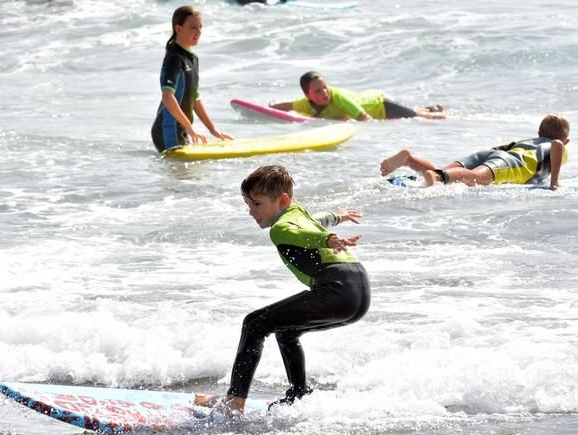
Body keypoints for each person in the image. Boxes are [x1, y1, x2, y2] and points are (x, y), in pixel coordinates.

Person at [194, 165, 371, 415]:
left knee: (254, 323)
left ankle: (234, 402)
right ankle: (298, 394)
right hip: (358, 293)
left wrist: (328, 239)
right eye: (248, 204)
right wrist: (337, 216)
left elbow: (303, 235)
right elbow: (314, 222)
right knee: (285, 331)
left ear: (283, 200)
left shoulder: (281, 229)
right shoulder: (298, 214)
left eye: (256, 204)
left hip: (337, 288)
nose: (251, 211)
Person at [380, 113, 571, 190]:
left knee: (442, 173)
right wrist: (554, 182)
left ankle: (409, 159)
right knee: (474, 177)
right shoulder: (557, 146)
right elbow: (557, 145)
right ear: (567, 141)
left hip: (489, 153)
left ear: (538, 132)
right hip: (511, 163)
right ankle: (436, 177)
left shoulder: (530, 140)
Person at [151, 6, 231, 152]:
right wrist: (189, 127)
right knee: (180, 174)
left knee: (187, 174)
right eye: (193, 27)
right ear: (178, 29)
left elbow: (195, 99)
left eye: (200, 27)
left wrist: (213, 129)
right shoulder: (174, 58)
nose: (198, 32)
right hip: (168, 130)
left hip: (181, 129)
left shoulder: (192, 59)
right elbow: (168, 97)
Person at [270, 71, 446, 121]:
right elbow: (288, 106)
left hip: (380, 106)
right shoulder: (305, 104)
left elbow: (364, 119)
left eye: (325, 87)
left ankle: (442, 115)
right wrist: (270, 107)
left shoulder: (339, 97)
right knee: (414, 112)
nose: (324, 92)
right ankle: (429, 107)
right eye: (318, 91)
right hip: (369, 100)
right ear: (307, 95)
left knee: (421, 117)